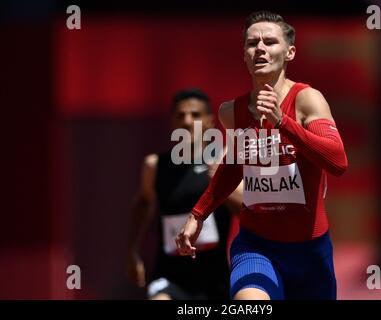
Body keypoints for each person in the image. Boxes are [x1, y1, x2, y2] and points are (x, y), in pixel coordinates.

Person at [176, 11, 348, 300]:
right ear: (244, 54)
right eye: (252, 43)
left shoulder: (307, 99)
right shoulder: (232, 112)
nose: (260, 49)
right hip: (257, 246)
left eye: (270, 42)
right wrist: (198, 214)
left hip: (311, 252)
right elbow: (233, 167)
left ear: (290, 52)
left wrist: (284, 122)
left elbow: (338, 161)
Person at [127, 88, 242, 300]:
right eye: (181, 115)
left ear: (209, 122)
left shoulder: (225, 162)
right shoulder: (155, 166)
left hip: (215, 280)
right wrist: (132, 249)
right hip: (170, 277)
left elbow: (247, 211)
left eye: (195, 115)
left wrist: (224, 184)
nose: (187, 121)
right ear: (172, 123)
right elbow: (143, 204)